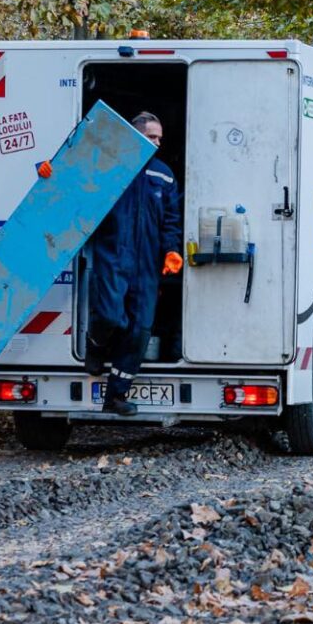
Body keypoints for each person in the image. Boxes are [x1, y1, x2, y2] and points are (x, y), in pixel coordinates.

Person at [86, 111, 183, 416]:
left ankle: (116, 396)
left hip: (147, 265)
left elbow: (172, 220)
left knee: (139, 329)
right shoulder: (110, 169)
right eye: (151, 136)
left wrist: (171, 250)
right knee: (111, 317)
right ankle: (95, 344)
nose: (157, 142)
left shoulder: (164, 174)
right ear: (134, 136)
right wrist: (47, 174)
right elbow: (74, 191)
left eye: (159, 138)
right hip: (113, 256)